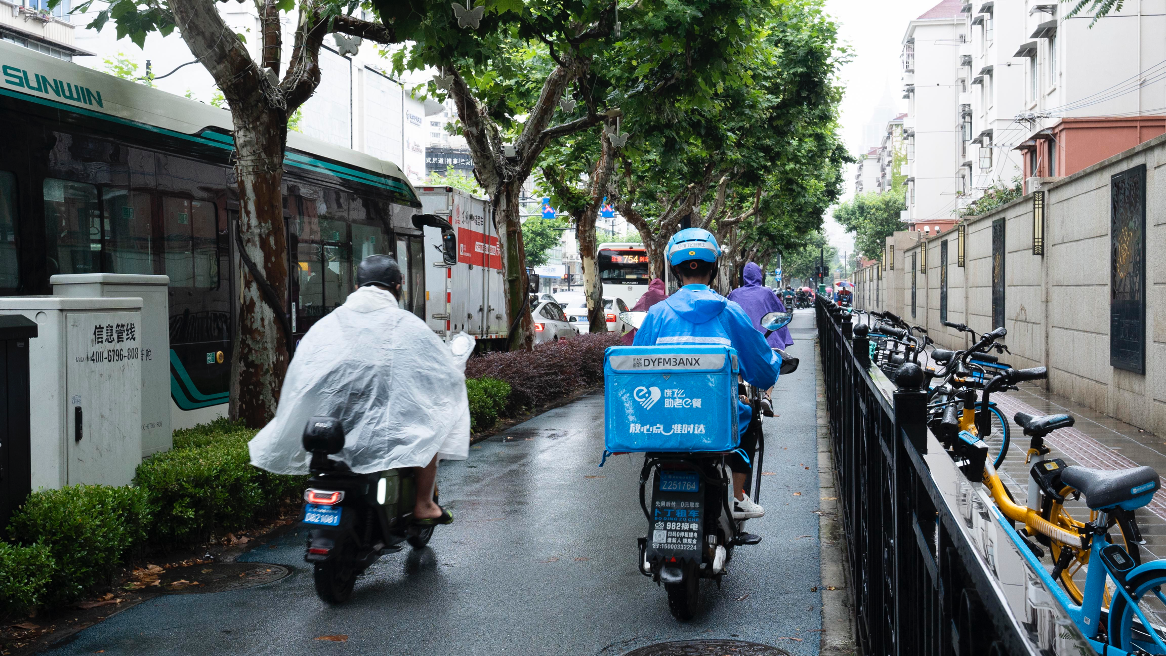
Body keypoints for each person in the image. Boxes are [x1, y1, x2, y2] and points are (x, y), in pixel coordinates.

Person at [249, 254, 470, 524]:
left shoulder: (327, 324)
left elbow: (303, 376)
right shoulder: (406, 324)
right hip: (384, 421)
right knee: (429, 433)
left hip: (333, 418)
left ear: (357, 287)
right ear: (398, 287)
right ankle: (423, 505)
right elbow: (438, 369)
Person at [633, 229, 781, 519]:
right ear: (713, 269)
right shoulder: (731, 312)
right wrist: (773, 361)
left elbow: (638, 368)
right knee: (749, 416)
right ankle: (738, 498)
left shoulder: (658, 314)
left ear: (676, 271)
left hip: (666, 418)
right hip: (717, 420)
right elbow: (763, 371)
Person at [620, 277, 668, 345]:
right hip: (661, 331)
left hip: (645, 330)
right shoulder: (667, 298)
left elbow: (635, 311)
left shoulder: (645, 296)